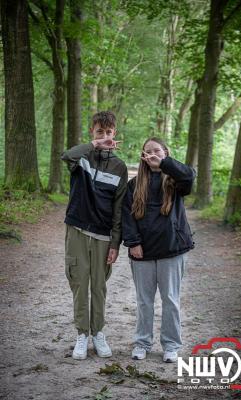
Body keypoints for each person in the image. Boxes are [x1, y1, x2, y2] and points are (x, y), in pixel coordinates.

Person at [122, 137, 196, 363]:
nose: (152, 154)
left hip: (171, 249)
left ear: (165, 152)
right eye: (148, 152)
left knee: (170, 299)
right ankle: (142, 343)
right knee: (144, 301)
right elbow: (127, 214)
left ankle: (171, 345)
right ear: (143, 156)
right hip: (142, 252)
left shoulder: (175, 180)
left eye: (157, 150)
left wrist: (163, 163)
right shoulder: (134, 185)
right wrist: (133, 242)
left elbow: (189, 175)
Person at [61, 111, 128, 360]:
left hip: (102, 236)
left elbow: (119, 209)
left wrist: (115, 242)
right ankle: (81, 334)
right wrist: (93, 145)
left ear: (115, 134)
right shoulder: (82, 157)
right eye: (99, 132)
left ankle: (98, 333)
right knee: (79, 284)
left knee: (98, 287)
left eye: (109, 132)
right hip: (77, 230)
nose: (104, 136)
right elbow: (66, 155)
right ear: (92, 132)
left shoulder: (120, 167)